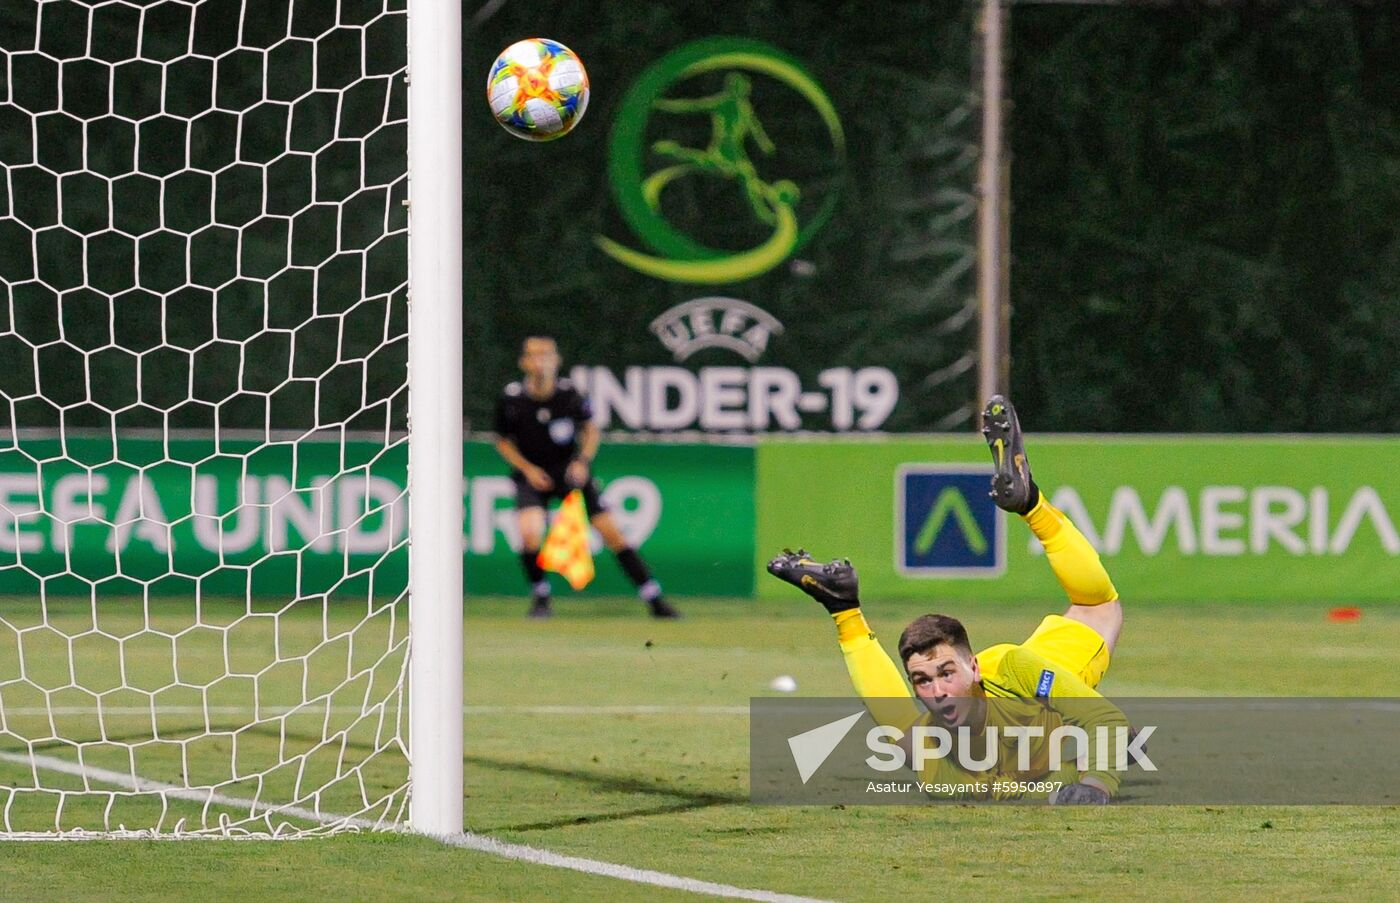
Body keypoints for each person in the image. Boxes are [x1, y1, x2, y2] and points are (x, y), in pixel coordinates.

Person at [768, 396, 1133, 803]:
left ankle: (1032, 503)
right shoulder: (938, 761)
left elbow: (1104, 721)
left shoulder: (1018, 673)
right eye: (922, 681)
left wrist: (1095, 785)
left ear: (972, 668)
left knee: (1098, 606)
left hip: (1033, 674)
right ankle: (844, 608)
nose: (937, 691)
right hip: (1009, 703)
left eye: (945, 674)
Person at [494, 336, 680, 620]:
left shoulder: (569, 395)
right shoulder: (512, 398)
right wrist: (528, 469)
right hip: (533, 474)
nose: (540, 361)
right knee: (530, 531)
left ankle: (654, 598)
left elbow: (590, 430)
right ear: (523, 362)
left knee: (611, 532)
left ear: (557, 361)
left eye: (547, 355)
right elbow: (503, 441)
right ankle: (541, 597)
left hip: (569, 471)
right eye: (534, 355)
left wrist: (582, 462)